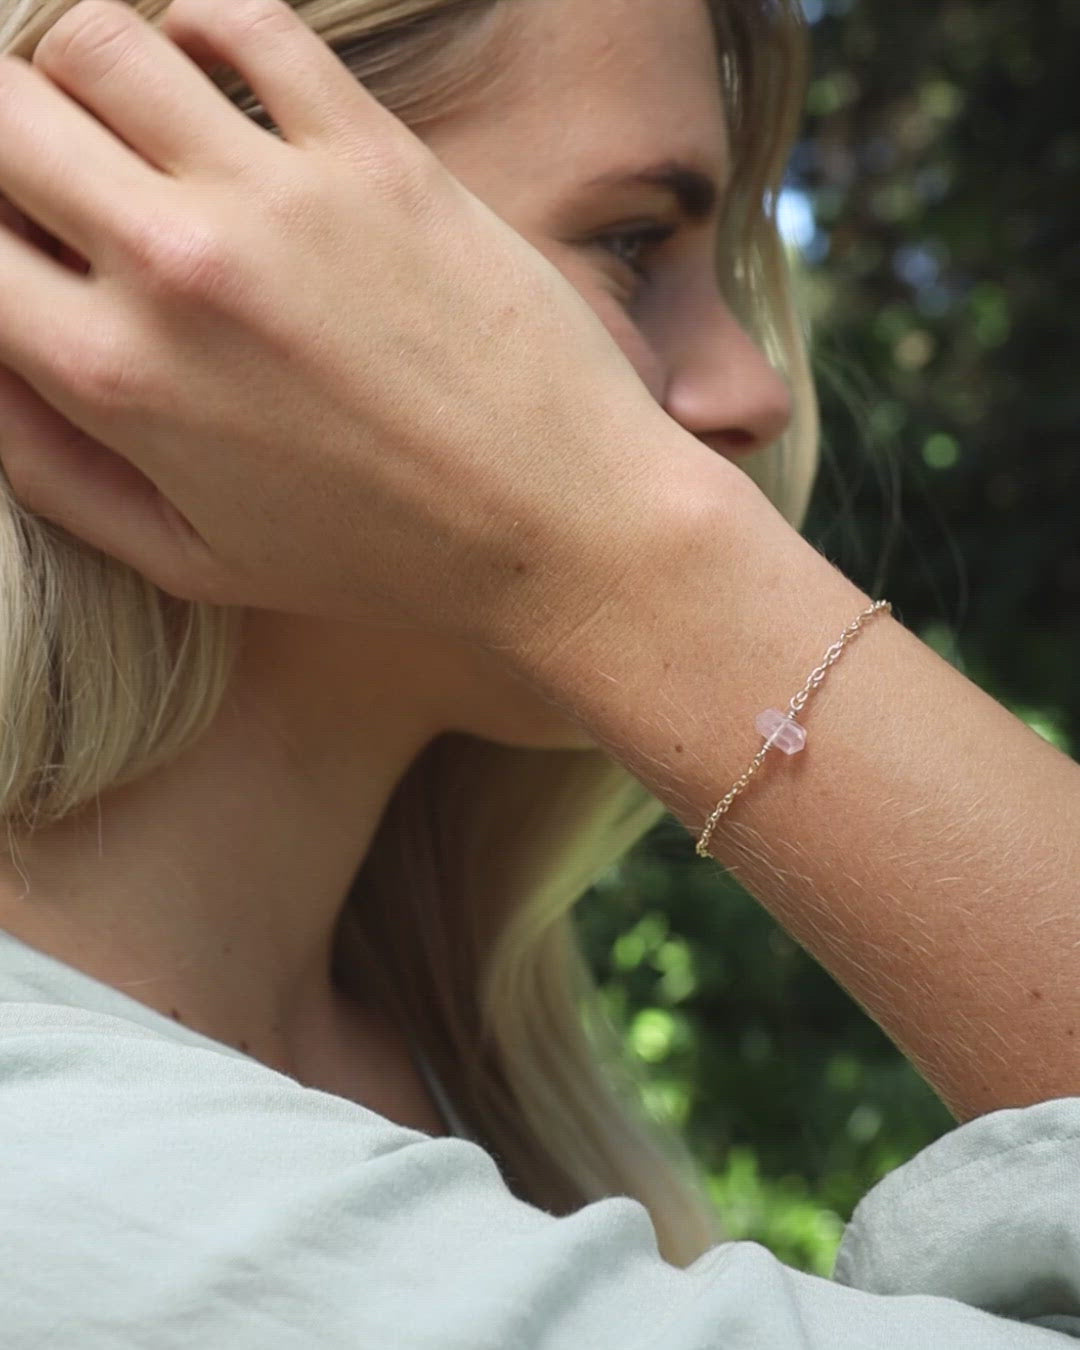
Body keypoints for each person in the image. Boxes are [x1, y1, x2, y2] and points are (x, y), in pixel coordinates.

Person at [0, 0, 1077, 1344]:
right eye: (636, 246)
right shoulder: (88, 1205)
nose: (756, 384)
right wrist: (644, 558)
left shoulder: (438, 1063)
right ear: (147, 244)